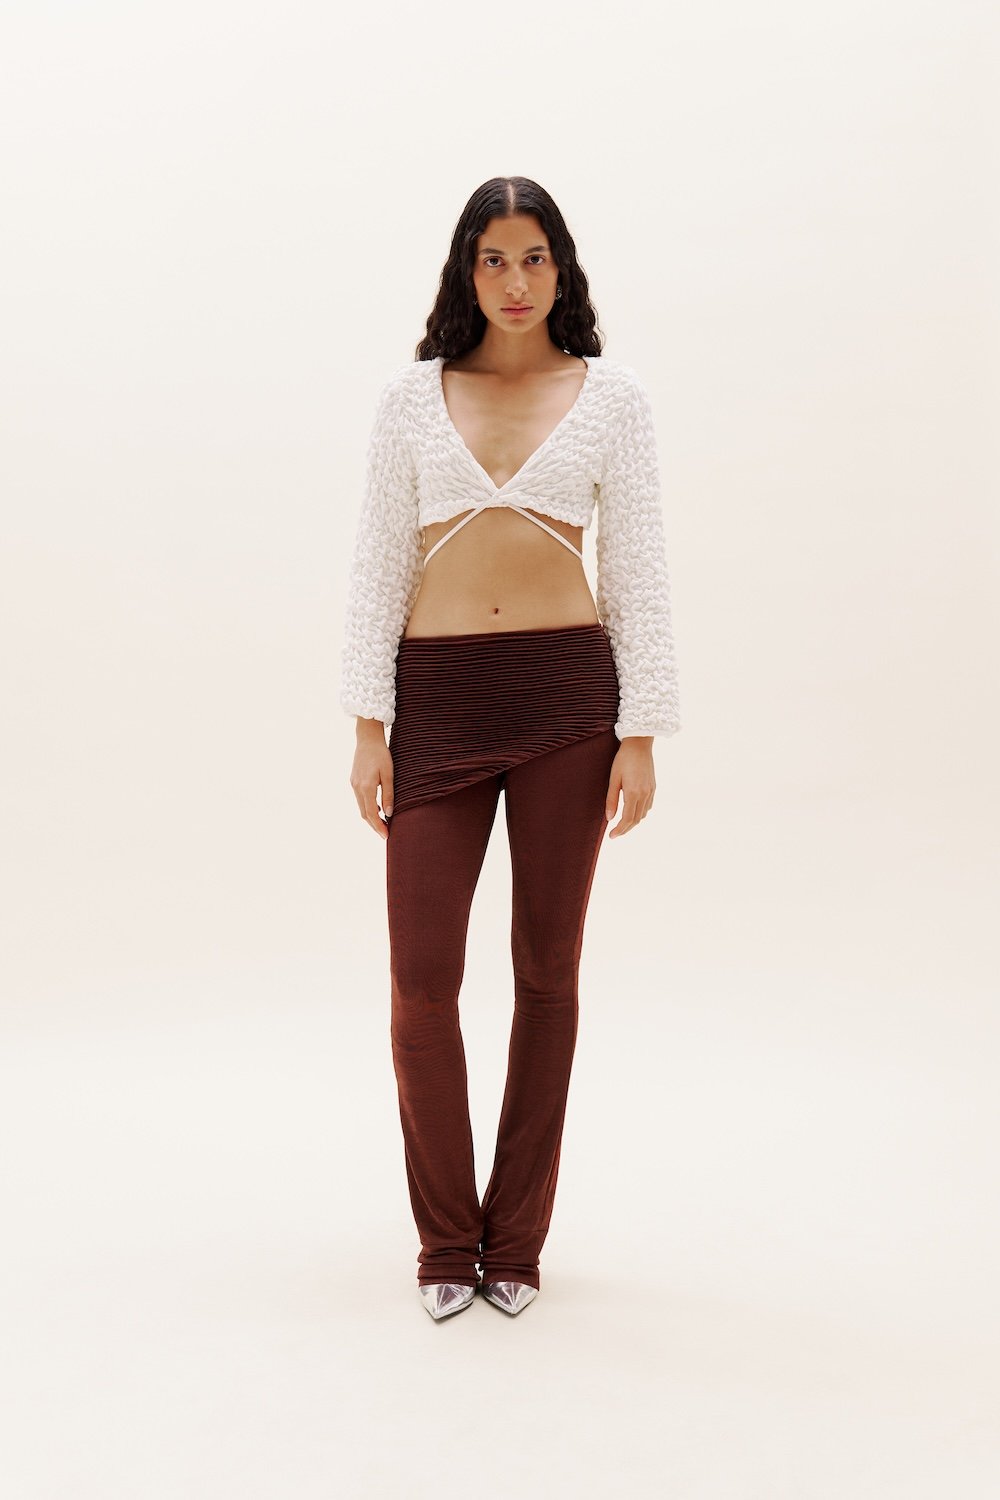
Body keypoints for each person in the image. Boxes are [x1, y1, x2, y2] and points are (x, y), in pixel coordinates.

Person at [340, 176, 681, 1321]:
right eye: (493, 259)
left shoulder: (611, 397)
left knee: (546, 973)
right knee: (420, 983)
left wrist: (639, 733)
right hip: (436, 702)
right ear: (466, 271)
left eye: (534, 258)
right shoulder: (411, 397)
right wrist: (369, 725)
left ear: (561, 268)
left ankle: (516, 1242)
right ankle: (448, 1243)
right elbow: (376, 563)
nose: (516, 282)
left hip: (566, 707)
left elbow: (637, 568)